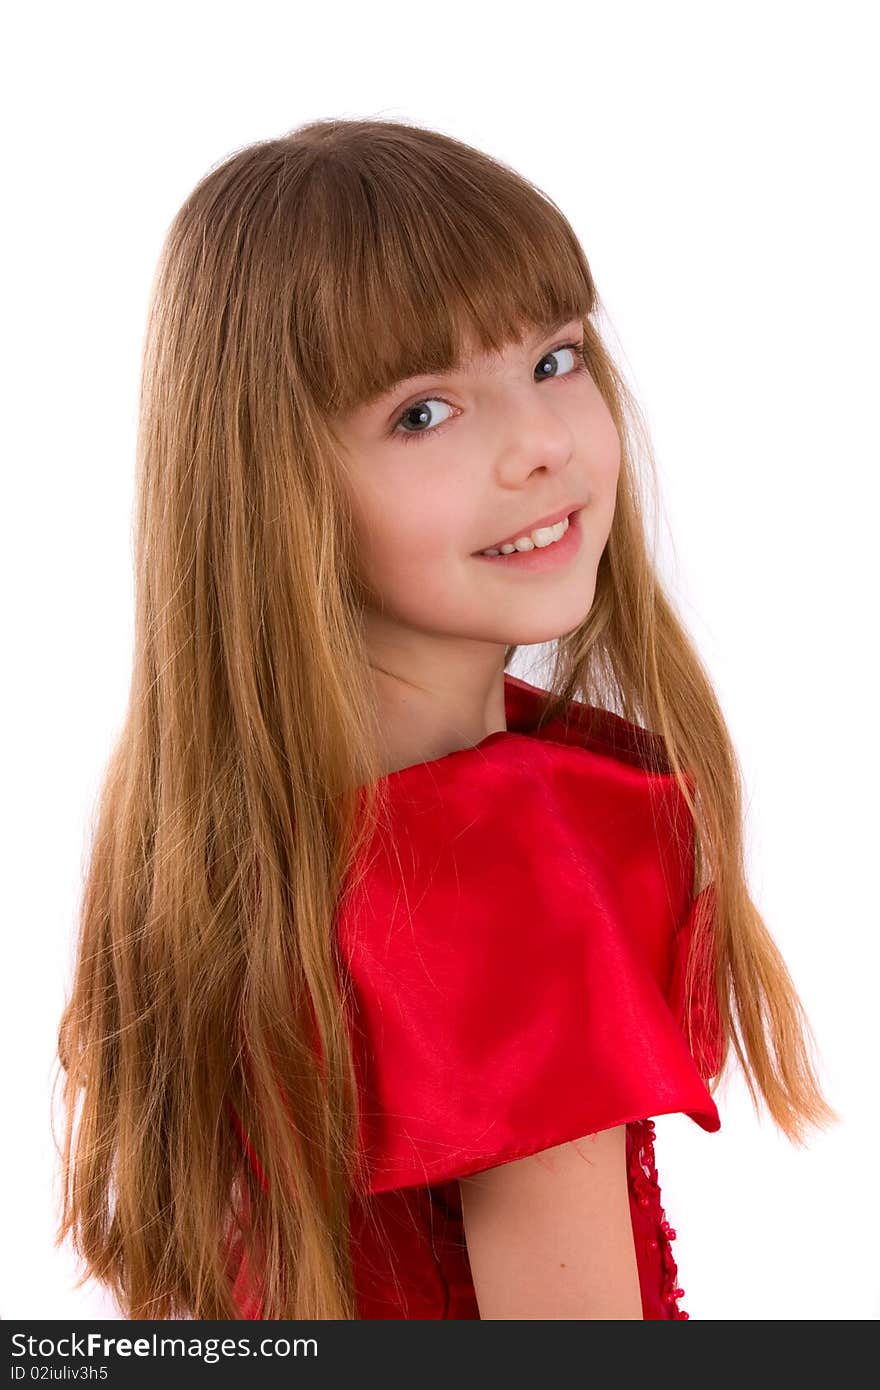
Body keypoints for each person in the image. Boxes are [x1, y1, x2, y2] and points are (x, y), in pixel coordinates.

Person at [53, 116, 837, 1322]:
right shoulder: (495, 864)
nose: (538, 444)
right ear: (274, 489)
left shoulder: (208, 829)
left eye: (553, 358)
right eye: (423, 412)